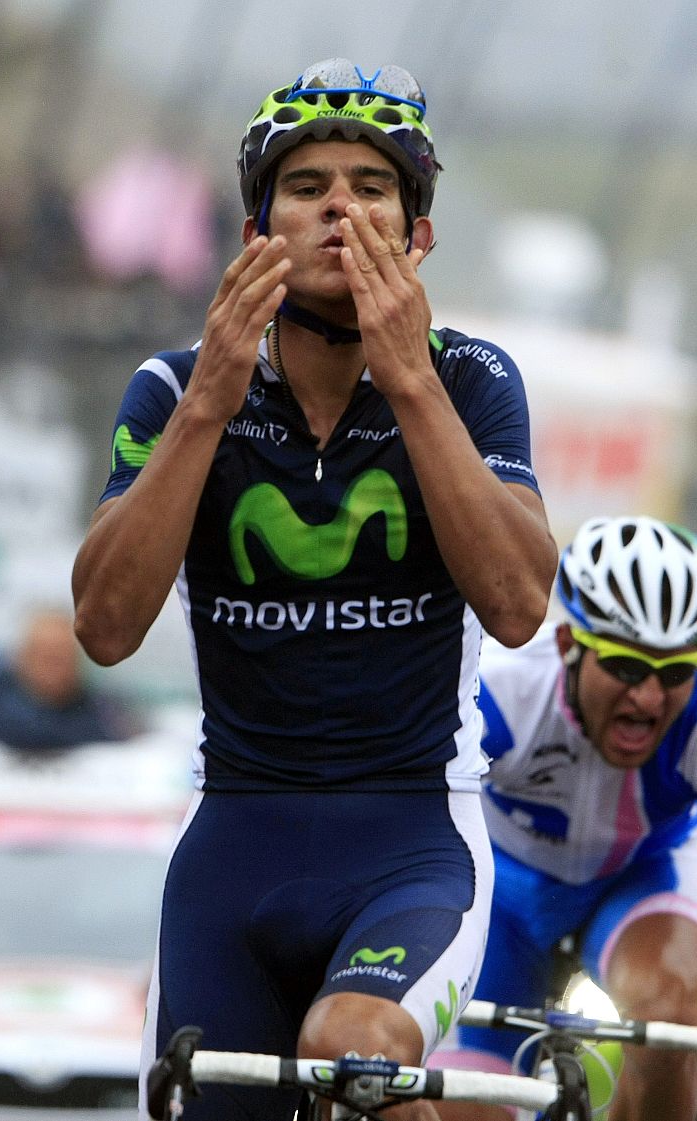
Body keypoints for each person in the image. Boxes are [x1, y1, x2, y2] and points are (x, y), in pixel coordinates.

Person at [70, 57, 556, 1121]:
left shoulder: (471, 380)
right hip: (235, 841)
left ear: (416, 232)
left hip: (412, 837)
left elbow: (519, 603)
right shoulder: (173, 385)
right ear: (258, 229)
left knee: (353, 1052)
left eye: (372, 186)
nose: (339, 205)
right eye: (306, 184)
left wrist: (410, 378)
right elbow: (104, 627)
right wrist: (207, 404)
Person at [433, 516, 697, 1121]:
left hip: (641, 882)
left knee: (667, 1016)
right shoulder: (499, 692)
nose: (649, 697)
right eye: (627, 667)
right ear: (570, 645)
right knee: (471, 1110)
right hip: (500, 896)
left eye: (676, 671)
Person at [0, 608, 131, 751]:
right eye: (45, 656)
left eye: (62, 657)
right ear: (23, 658)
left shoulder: (97, 708)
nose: (54, 667)